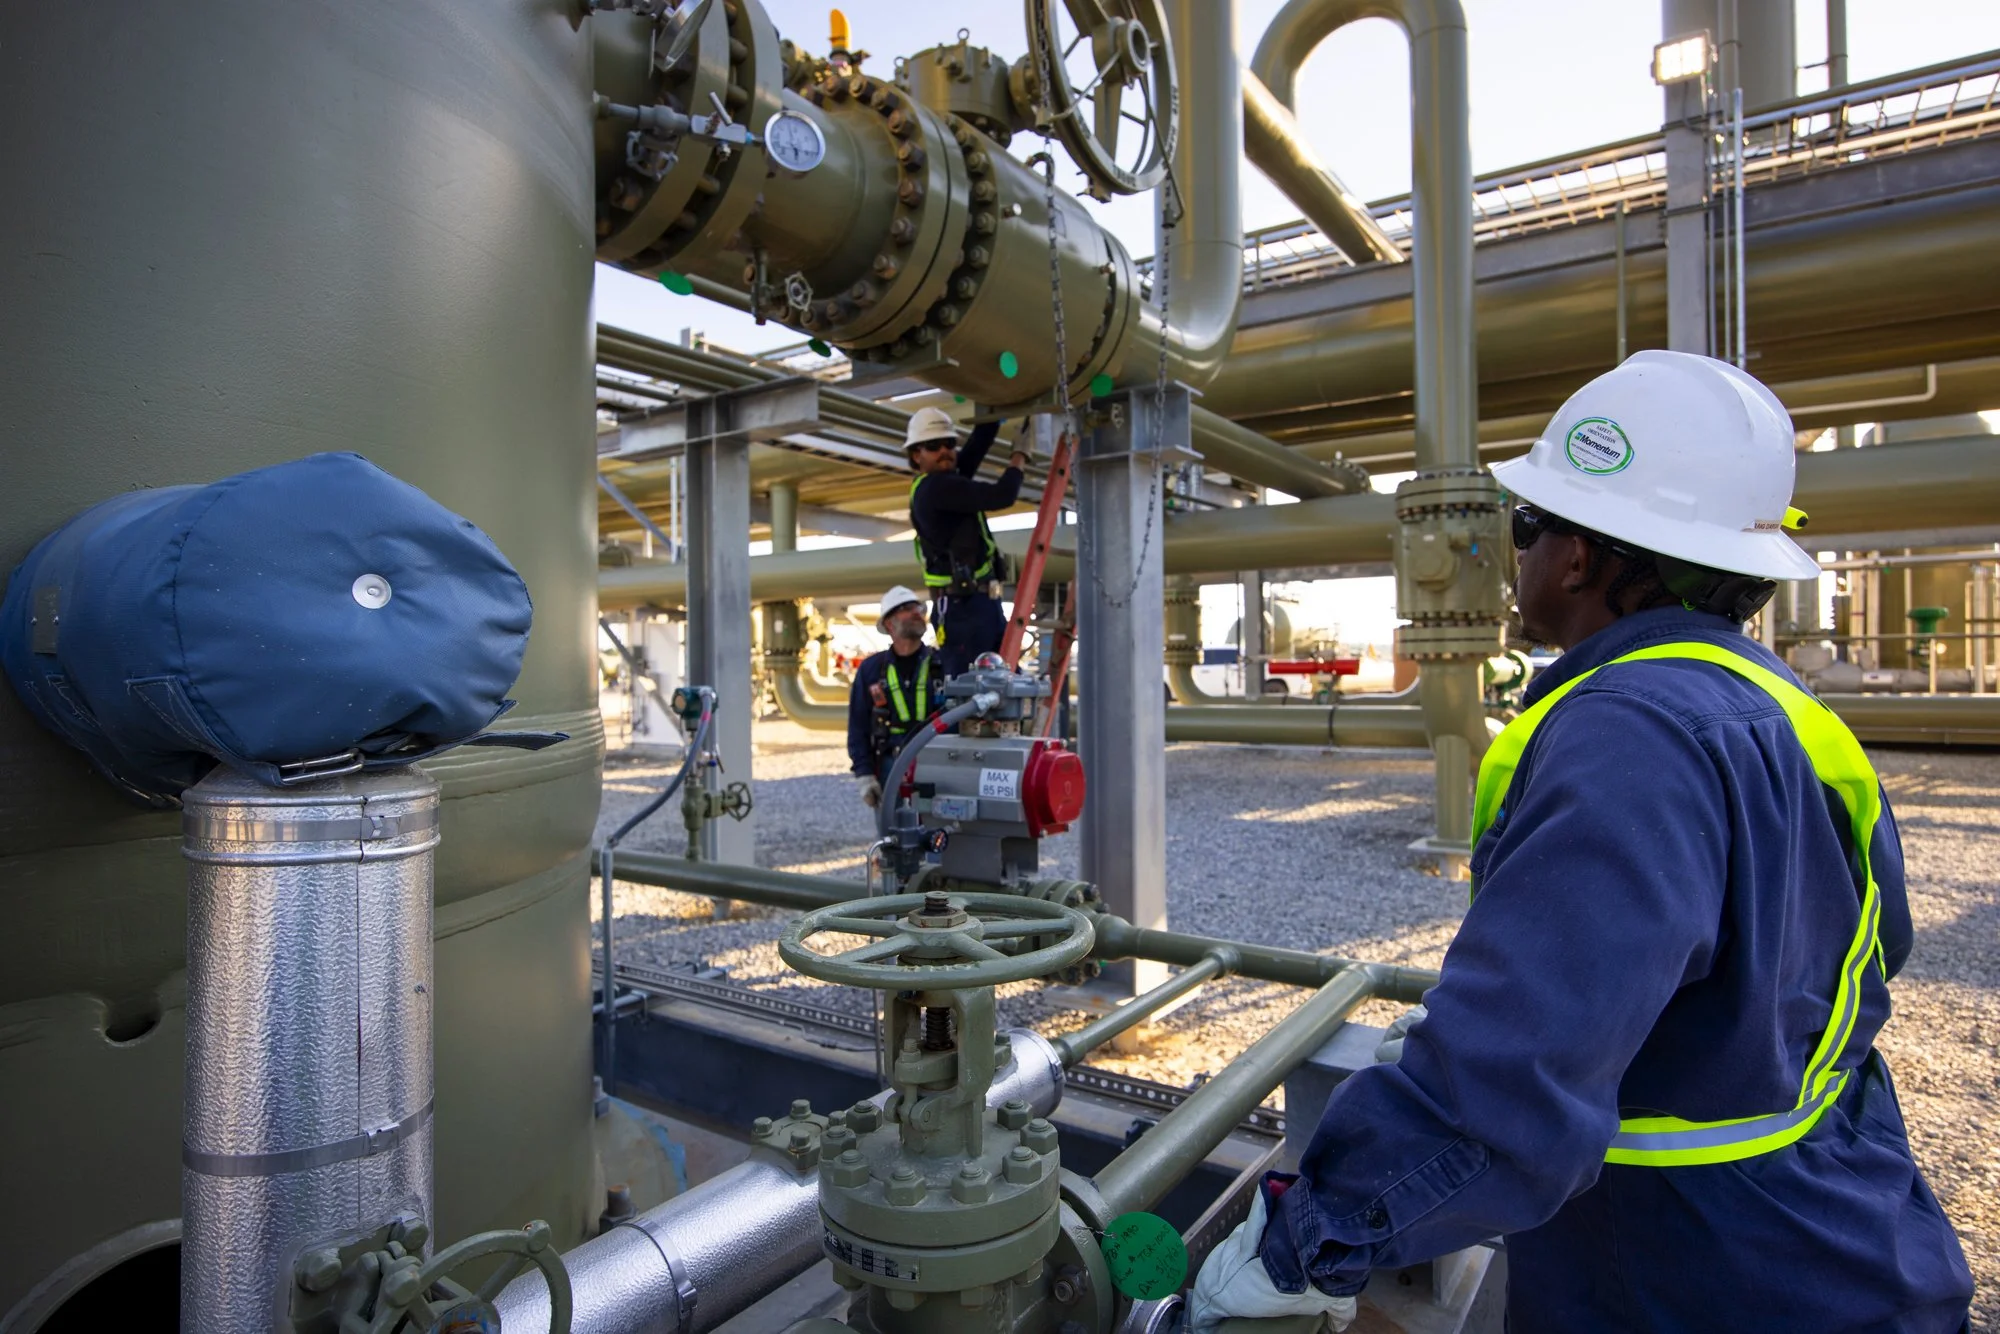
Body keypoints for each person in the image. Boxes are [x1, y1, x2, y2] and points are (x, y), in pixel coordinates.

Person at [1190, 351, 1973, 1332]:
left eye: (1526, 523)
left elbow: (1510, 1080)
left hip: (1684, 1268)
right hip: (1835, 1223)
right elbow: (1857, 958)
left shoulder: (1626, 732)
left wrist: (1306, 1235)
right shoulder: (1785, 713)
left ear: (1576, 557)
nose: (1513, 551)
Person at [904, 405, 1029, 676]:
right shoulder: (937, 488)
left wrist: (993, 409)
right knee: (978, 693)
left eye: (949, 443)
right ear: (917, 455)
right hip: (965, 611)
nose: (945, 451)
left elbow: (974, 449)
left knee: (996, 689)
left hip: (974, 605)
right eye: (933, 446)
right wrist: (1019, 456)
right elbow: (1002, 495)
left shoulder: (943, 482)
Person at [848, 584, 945, 809]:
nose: (916, 613)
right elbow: (858, 726)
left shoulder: (941, 663)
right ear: (889, 624)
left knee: (937, 838)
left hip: (936, 763)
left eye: (918, 608)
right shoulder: (871, 670)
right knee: (893, 839)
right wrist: (864, 775)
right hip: (890, 765)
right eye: (906, 608)